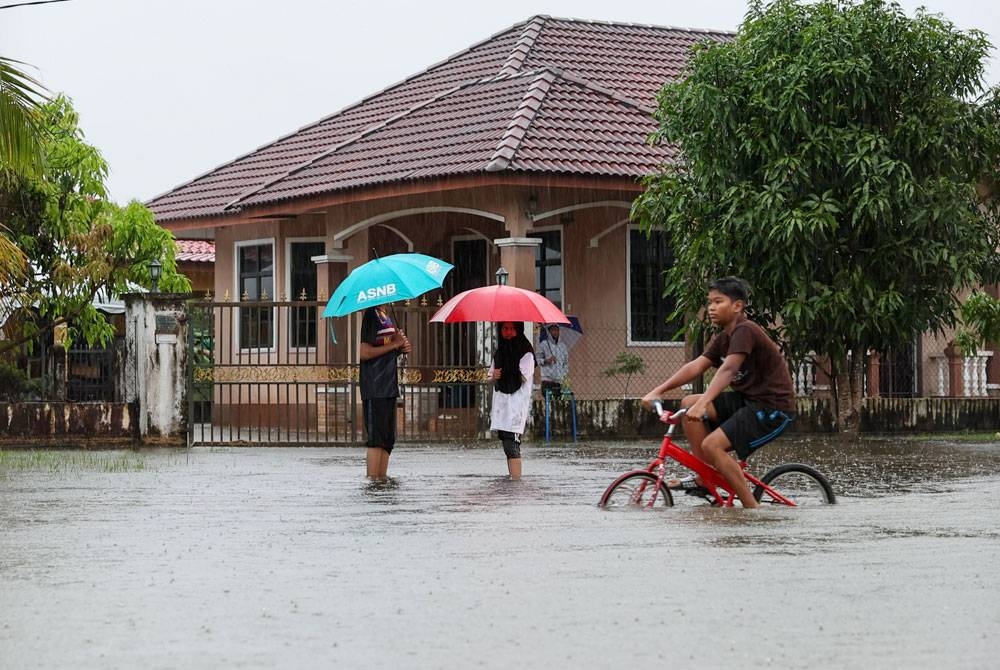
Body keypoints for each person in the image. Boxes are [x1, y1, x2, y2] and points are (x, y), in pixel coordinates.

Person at [641, 277, 796, 509]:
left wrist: (705, 401)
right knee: (688, 403)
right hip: (748, 401)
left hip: (772, 408)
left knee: (712, 444)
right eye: (709, 302)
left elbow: (729, 369)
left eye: (718, 301)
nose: (711, 307)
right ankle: (706, 478)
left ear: (737, 306)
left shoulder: (745, 330)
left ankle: (753, 510)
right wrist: (658, 391)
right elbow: (696, 366)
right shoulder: (724, 338)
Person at [359, 304, 411, 480]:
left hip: (389, 385)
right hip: (374, 386)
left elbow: (385, 351)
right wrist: (394, 344)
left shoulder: (386, 317)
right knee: (377, 439)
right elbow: (364, 353)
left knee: (388, 440)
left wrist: (399, 348)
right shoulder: (371, 315)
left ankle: (382, 480)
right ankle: (373, 481)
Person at [488, 321, 536, 480]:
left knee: (512, 442)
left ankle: (516, 482)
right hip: (502, 404)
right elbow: (490, 377)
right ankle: (512, 479)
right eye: (505, 329)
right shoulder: (500, 352)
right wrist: (494, 376)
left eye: (512, 329)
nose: (508, 332)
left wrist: (507, 371)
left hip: (516, 405)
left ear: (518, 330)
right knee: (506, 442)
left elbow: (522, 377)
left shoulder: (526, 352)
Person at [536, 323, 569, 397]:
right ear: (549, 331)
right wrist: (546, 361)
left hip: (559, 381)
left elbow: (566, 363)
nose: (555, 332)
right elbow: (537, 359)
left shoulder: (563, 346)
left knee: (557, 403)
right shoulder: (543, 344)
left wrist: (563, 374)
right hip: (547, 380)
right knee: (548, 403)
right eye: (553, 330)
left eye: (557, 330)